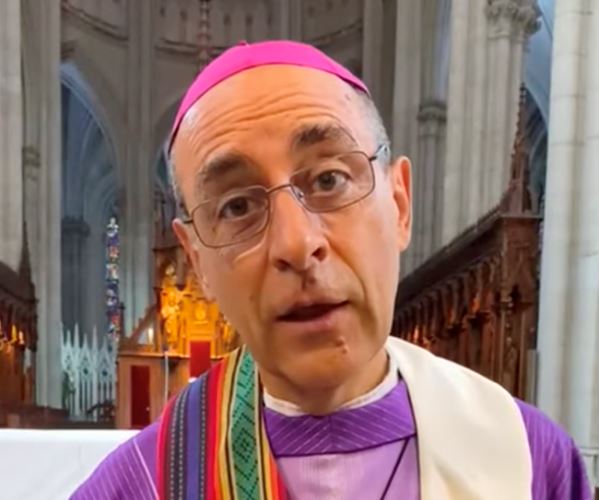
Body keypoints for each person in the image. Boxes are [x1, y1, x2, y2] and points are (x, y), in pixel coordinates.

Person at [72, 40, 591, 500]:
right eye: (236, 206)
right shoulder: (142, 485)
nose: (297, 245)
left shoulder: (528, 460)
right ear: (196, 261)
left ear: (399, 204)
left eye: (329, 179)